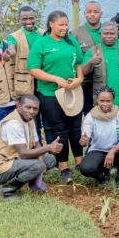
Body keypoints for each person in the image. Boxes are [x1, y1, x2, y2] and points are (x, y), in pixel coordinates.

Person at [28, 10, 87, 183]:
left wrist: (79, 79)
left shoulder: (71, 41)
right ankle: (64, 167)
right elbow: (33, 69)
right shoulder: (41, 43)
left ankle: (79, 164)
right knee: (61, 130)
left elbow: (78, 63)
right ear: (51, 24)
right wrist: (55, 79)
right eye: (61, 24)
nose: (64, 27)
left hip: (73, 91)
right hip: (50, 94)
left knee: (76, 128)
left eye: (66, 24)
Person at [0, 95, 61, 199]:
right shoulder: (14, 123)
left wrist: (42, 162)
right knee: (37, 165)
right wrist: (48, 148)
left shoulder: (29, 120)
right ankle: (7, 191)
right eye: (28, 107)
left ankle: (31, 182)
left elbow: (36, 143)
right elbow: (23, 153)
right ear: (19, 106)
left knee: (49, 160)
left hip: (12, 160)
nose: (32, 111)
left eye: (35, 109)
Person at [78, 86, 119, 187]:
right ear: (97, 100)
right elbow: (85, 140)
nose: (105, 104)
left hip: (117, 150)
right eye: (102, 101)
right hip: (99, 150)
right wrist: (83, 142)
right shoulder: (90, 116)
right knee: (85, 168)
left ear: (113, 100)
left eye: (108, 101)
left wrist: (113, 150)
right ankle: (103, 175)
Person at [86, 21, 119, 131]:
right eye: (105, 33)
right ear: (101, 34)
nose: (108, 36)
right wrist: (90, 62)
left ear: (117, 34)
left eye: (112, 33)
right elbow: (84, 72)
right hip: (102, 104)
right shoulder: (93, 51)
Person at [71, 1, 104, 114]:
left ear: (101, 13)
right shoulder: (75, 34)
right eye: (89, 12)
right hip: (85, 83)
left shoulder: (109, 31)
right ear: (84, 13)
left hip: (106, 81)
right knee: (89, 115)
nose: (92, 14)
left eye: (95, 11)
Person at [5, 5, 40, 103]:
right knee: (29, 112)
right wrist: (9, 54)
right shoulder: (14, 36)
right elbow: (12, 49)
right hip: (25, 81)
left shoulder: (43, 34)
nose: (28, 22)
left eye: (31, 18)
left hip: (43, 80)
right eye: (24, 19)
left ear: (35, 17)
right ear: (19, 19)